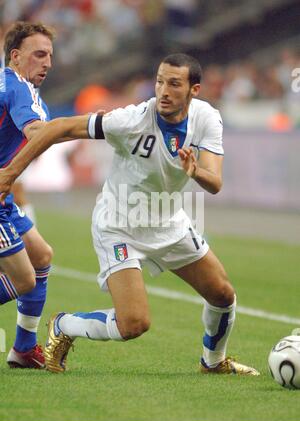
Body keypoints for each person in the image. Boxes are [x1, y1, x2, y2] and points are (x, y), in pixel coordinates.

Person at [0, 53, 259, 376]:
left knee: (223, 294)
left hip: (170, 224)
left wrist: (195, 172)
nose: (163, 90)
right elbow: (61, 127)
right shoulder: (132, 120)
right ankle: (64, 324)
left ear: (194, 90)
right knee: (134, 323)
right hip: (118, 226)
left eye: (174, 84)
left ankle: (214, 362)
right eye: (160, 81)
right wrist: (10, 173)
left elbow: (215, 182)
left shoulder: (207, 119)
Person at [0, 22, 54, 368]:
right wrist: (93, 127)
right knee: (23, 278)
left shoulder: (8, 83)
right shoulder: (18, 87)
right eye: (39, 54)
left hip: (4, 198)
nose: (47, 62)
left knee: (41, 256)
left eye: (50, 55)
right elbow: (36, 132)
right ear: (16, 57)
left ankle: (23, 348)